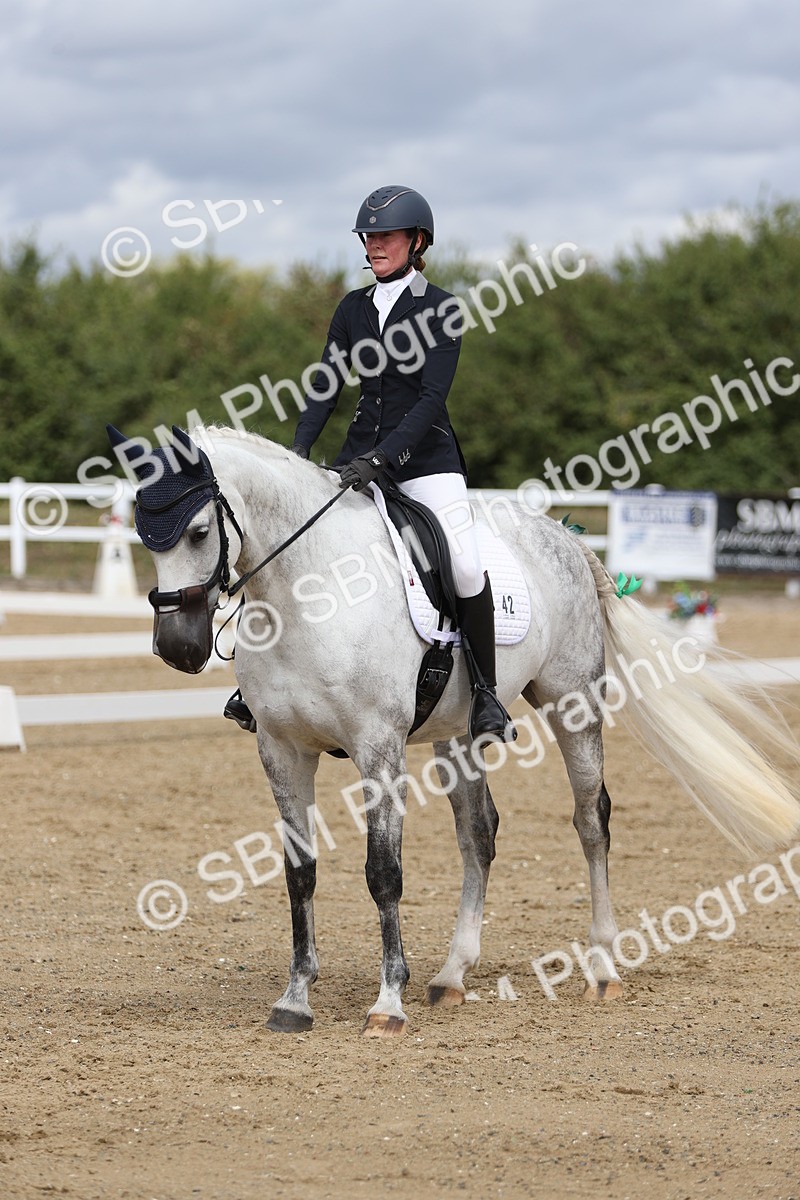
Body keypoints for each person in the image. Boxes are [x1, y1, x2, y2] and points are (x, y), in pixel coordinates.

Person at [224, 185, 513, 742]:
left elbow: (431, 400)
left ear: (417, 240)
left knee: (466, 565)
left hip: (426, 461)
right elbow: (326, 385)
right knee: (298, 552)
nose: (375, 245)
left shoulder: (441, 308)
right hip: (357, 460)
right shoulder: (352, 308)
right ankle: (261, 683)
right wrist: (298, 455)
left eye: (386, 236)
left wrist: (385, 457)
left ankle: (485, 694)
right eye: (369, 236)